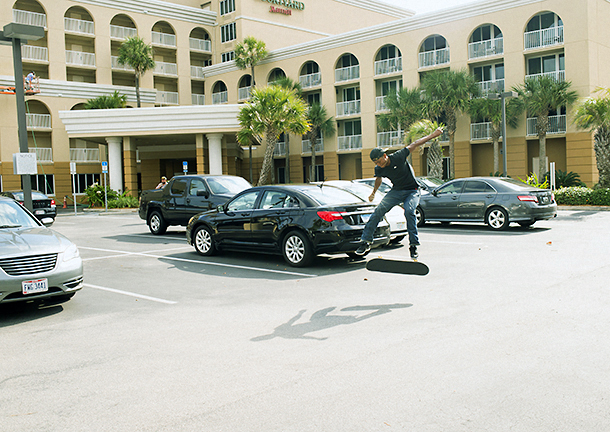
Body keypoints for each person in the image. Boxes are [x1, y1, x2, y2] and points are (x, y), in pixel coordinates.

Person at [355, 127, 443, 259]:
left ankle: (413, 246)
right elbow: (378, 179)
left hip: (412, 190)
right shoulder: (379, 168)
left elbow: (415, 144)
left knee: (409, 211)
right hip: (396, 191)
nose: (379, 165)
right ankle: (365, 241)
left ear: (385, 156)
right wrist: (373, 192)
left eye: (379, 161)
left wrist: (433, 135)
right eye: (375, 163)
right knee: (378, 211)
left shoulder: (398, 156)